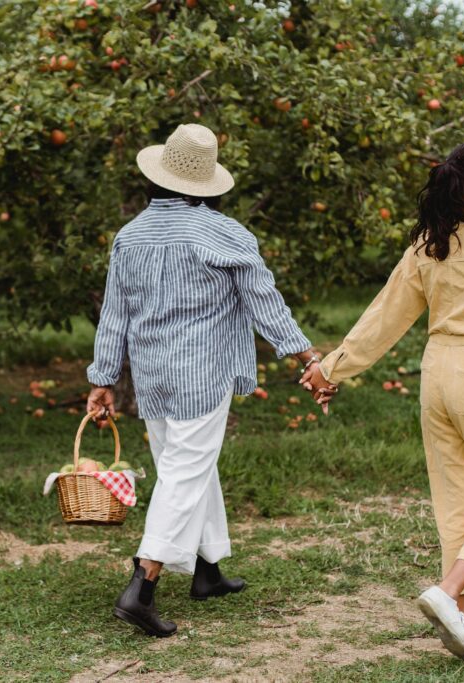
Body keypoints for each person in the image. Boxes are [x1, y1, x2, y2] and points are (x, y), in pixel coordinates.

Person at [301, 142, 464, 660]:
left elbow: (384, 318)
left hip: (436, 374)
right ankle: (446, 594)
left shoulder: (428, 243)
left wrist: (330, 368)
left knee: (456, 499)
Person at [86, 123, 324, 638]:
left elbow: (114, 316)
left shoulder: (130, 236)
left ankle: (206, 569)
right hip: (200, 375)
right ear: (205, 182)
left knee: (189, 465)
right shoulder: (224, 234)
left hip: (152, 377)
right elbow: (264, 302)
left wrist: (103, 378)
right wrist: (304, 352)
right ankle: (142, 584)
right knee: (185, 472)